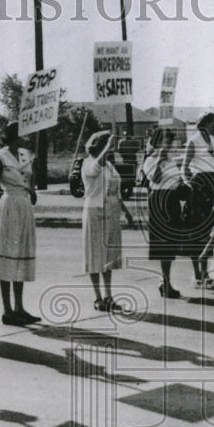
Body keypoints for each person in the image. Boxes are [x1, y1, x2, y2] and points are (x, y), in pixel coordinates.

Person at [0, 122, 39, 326]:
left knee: (21, 256)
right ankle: (7, 310)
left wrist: (32, 190)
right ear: (14, 135)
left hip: (24, 207)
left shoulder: (27, 155)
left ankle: (19, 307)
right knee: (8, 258)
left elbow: (31, 180)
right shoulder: (0, 157)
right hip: (9, 207)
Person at [82, 130, 135, 312]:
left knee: (108, 257)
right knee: (95, 254)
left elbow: (116, 192)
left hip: (111, 212)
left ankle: (109, 295)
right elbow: (95, 168)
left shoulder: (110, 166)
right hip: (95, 212)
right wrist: (108, 146)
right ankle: (98, 298)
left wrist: (126, 212)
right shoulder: (88, 163)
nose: (110, 149)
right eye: (106, 145)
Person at [182, 112, 214, 288]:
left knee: (211, 230)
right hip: (199, 186)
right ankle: (197, 275)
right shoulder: (193, 140)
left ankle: (206, 272)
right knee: (197, 231)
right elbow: (185, 167)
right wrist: (190, 184)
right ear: (206, 123)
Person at [142, 128, 186, 298]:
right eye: (166, 141)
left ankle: (165, 281)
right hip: (159, 202)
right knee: (163, 246)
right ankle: (165, 282)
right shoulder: (150, 160)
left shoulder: (172, 161)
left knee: (172, 244)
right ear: (157, 142)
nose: (169, 144)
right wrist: (159, 161)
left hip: (172, 201)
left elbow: (176, 180)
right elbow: (155, 180)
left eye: (170, 141)